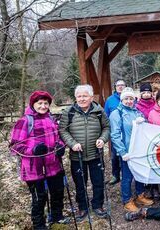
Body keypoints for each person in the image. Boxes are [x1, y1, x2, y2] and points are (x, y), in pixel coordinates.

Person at [10, 91, 68, 229]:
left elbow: (58, 138)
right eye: (40, 103)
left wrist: (60, 146)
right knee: (39, 197)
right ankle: (39, 225)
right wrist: (33, 151)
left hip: (54, 165)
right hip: (34, 169)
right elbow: (14, 146)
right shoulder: (25, 121)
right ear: (33, 104)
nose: (43, 106)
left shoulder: (51, 119)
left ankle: (56, 217)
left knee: (58, 192)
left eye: (46, 103)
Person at [59, 84, 110, 221]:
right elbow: (62, 130)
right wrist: (72, 143)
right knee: (80, 183)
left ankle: (97, 205)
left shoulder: (99, 111)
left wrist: (102, 139)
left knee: (98, 182)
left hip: (96, 154)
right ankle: (82, 207)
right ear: (75, 97)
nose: (82, 99)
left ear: (91, 97)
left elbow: (106, 128)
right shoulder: (69, 112)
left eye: (85, 96)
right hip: (77, 156)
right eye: (79, 96)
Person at [110, 87, 154, 212]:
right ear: (122, 99)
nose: (129, 101)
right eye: (126, 98)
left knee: (139, 174)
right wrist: (122, 152)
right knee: (127, 176)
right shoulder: (116, 113)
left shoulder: (137, 112)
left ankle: (140, 195)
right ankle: (127, 200)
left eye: (131, 98)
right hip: (127, 152)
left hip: (139, 150)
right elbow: (115, 134)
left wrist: (143, 121)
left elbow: (144, 130)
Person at [104, 79, 126, 185]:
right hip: (115, 133)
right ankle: (115, 175)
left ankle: (128, 174)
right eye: (118, 85)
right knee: (114, 156)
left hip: (128, 132)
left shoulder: (131, 98)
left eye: (122, 85)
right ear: (115, 87)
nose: (120, 87)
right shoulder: (110, 100)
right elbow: (105, 116)